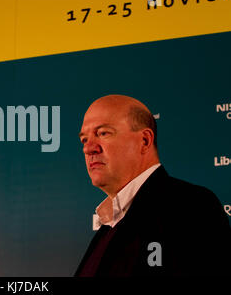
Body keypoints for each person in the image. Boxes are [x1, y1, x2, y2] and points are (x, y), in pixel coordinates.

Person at [74, 94, 230, 276]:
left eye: (103, 133)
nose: (88, 148)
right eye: (84, 139)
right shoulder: (110, 224)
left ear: (145, 141)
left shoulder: (191, 205)